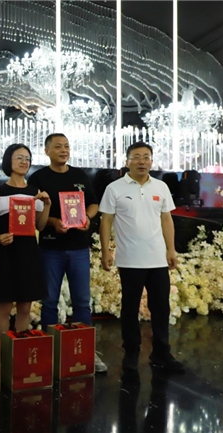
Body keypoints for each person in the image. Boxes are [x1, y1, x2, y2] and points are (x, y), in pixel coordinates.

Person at [99, 141, 185, 374]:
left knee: (161, 307)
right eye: (136, 157)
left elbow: (166, 219)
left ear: (151, 161)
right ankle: (131, 353)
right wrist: (106, 251)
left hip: (157, 259)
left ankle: (162, 353)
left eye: (146, 157)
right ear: (127, 161)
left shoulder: (161, 187)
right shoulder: (115, 188)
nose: (142, 161)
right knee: (130, 307)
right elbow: (106, 221)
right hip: (130, 259)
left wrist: (171, 249)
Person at [28, 133, 108, 373]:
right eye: (58, 146)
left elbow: (93, 203)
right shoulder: (38, 178)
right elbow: (34, 215)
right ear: (47, 151)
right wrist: (54, 222)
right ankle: (50, 352)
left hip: (79, 248)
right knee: (49, 302)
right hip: (51, 249)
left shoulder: (80, 176)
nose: (63, 150)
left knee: (82, 301)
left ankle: (85, 351)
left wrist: (87, 218)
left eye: (66, 146)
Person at [0, 144, 50, 336]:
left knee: (25, 308)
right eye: (19, 158)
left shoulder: (35, 192)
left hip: (29, 253)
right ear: (8, 161)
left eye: (27, 159)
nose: (24, 162)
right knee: (4, 307)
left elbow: (40, 226)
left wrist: (47, 205)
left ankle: (20, 348)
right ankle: (4, 348)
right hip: (6, 252)